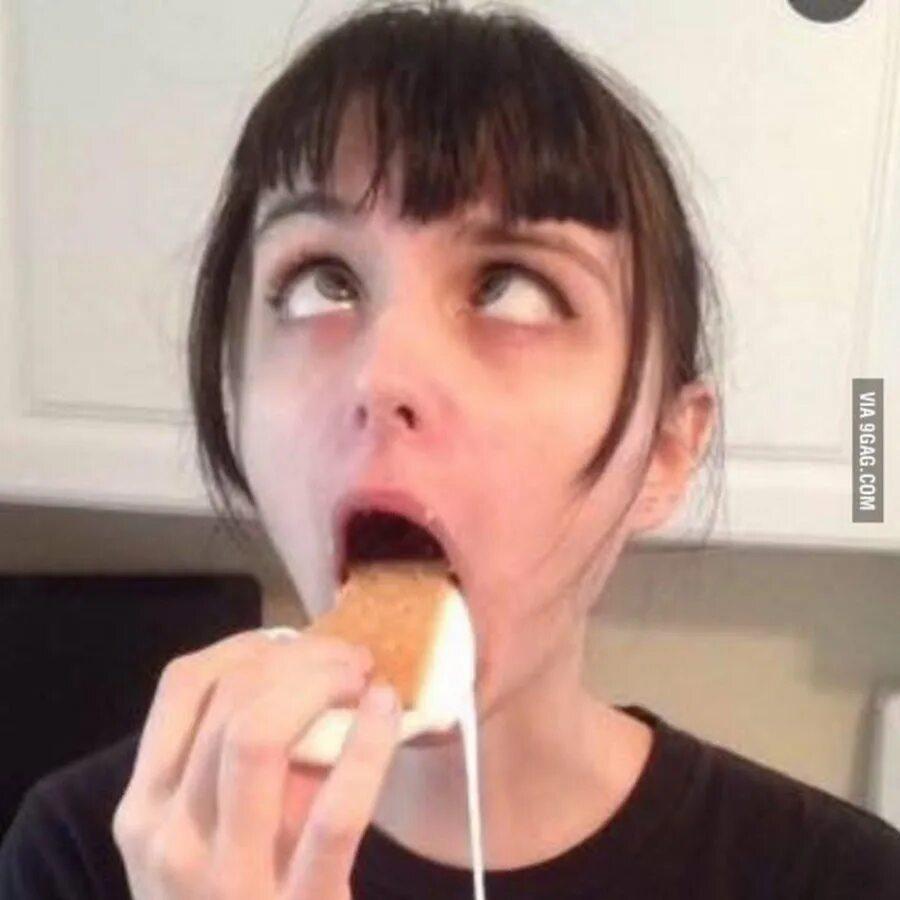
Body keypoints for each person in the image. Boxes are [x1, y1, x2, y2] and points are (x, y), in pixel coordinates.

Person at [2, 2, 898, 897]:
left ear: (665, 451)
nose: (380, 373)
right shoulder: (88, 858)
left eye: (512, 287)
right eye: (322, 282)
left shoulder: (841, 881)